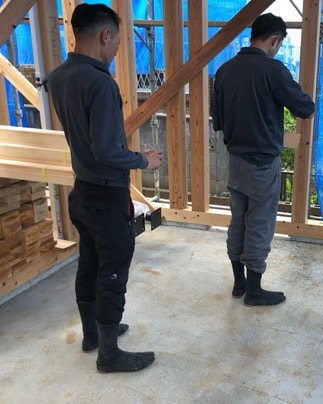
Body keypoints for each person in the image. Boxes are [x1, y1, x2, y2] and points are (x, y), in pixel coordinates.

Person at [47, 3, 162, 373]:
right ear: (104, 35)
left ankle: (92, 335)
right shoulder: (100, 83)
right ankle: (109, 354)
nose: (116, 50)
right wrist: (144, 160)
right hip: (106, 196)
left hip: (81, 192)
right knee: (113, 272)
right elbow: (108, 150)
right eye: (117, 42)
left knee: (90, 262)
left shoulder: (59, 76)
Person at [211, 13, 315, 306]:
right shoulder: (273, 70)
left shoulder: (224, 71)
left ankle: (239, 283)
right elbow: (305, 108)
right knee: (259, 225)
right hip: (262, 164)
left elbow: (218, 121)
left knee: (238, 221)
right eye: (279, 45)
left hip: (235, 161)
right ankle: (254, 292)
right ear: (274, 40)